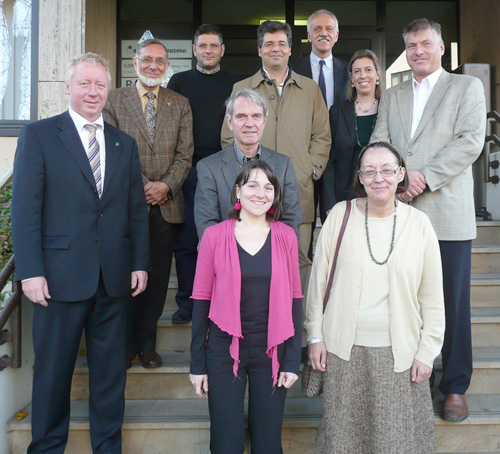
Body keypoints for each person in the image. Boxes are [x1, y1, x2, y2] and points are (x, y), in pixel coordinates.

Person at [11, 52, 150, 453]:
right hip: (57, 279)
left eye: (100, 85)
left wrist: (139, 262)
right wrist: (30, 271)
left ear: (109, 91)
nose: (93, 92)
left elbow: (135, 210)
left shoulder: (124, 143)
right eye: (85, 83)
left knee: (110, 378)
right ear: (68, 87)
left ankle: (107, 447)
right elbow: (25, 209)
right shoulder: (38, 135)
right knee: (53, 375)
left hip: (113, 279)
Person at [371, 18, 487, 421]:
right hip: (399, 212)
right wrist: (397, 178)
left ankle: (454, 385)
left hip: (446, 214)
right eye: (411, 45)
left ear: (440, 48)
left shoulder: (466, 87)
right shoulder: (394, 94)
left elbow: (470, 140)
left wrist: (424, 177)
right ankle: (409, 378)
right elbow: (379, 142)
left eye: (425, 43)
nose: (418, 50)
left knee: (451, 303)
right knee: (402, 300)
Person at [306, 142, 445, 453]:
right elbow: (318, 283)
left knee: (395, 441)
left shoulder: (419, 225)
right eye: (370, 171)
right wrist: (314, 335)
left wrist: (427, 351)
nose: (378, 178)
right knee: (344, 438)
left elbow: (433, 296)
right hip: (343, 350)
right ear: (360, 177)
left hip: (401, 355)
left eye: (386, 170)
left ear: (401, 175)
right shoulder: (339, 216)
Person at [190, 160, 303, 454]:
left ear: (275, 196)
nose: (260, 193)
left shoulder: (286, 236)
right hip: (224, 350)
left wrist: (292, 360)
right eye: (252, 185)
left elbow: (295, 301)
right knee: (227, 443)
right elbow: (201, 302)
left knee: (267, 444)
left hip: (272, 351)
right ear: (238, 191)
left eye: (268, 187)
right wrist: (197, 363)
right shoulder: (214, 236)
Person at [221, 20, 331, 303]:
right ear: (259, 50)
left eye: (282, 43)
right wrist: (247, 179)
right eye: (269, 44)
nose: (275, 49)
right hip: (252, 197)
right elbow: (227, 137)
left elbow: (322, 136)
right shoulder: (242, 87)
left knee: (299, 260)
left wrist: (309, 171)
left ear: (291, 49)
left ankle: (298, 336)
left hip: (300, 192)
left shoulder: (310, 89)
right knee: (253, 261)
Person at [103, 38, 194, 368]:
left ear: (168, 66)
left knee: (156, 281)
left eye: (160, 61)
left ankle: (148, 345)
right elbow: (112, 148)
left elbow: (186, 155)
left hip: (166, 206)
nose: (153, 66)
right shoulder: (114, 100)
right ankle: (126, 345)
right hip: (126, 204)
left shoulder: (180, 103)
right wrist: (143, 186)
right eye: (147, 60)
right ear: (134, 63)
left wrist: (165, 186)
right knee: (124, 276)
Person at [167, 24, 242, 324]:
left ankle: (227, 300)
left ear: (222, 50)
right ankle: (188, 302)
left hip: (229, 170)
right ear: (194, 50)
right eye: (202, 45)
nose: (208, 50)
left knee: (230, 239)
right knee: (187, 242)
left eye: (214, 45)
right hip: (189, 171)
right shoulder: (179, 81)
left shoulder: (236, 83)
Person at [195, 88, 301, 238]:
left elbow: (291, 221)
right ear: (230, 122)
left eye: (256, 116)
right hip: (226, 256)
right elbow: (207, 225)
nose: (249, 124)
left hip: (272, 256)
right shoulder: (209, 168)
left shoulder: (283, 165)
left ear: (264, 122)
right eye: (241, 116)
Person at [321, 49, 382, 222]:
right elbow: (330, 160)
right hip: (344, 197)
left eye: (368, 70)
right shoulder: (338, 111)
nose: (363, 75)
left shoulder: (389, 107)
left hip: (380, 194)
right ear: (352, 78)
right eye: (357, 71)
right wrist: (329, 203)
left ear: (377, 75)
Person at [292, 9, 349, 110]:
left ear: (336, 36)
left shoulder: (349, 71)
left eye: (329, 29)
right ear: (309, 36)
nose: (323, 33)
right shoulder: (293, 71)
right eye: (317, 29)